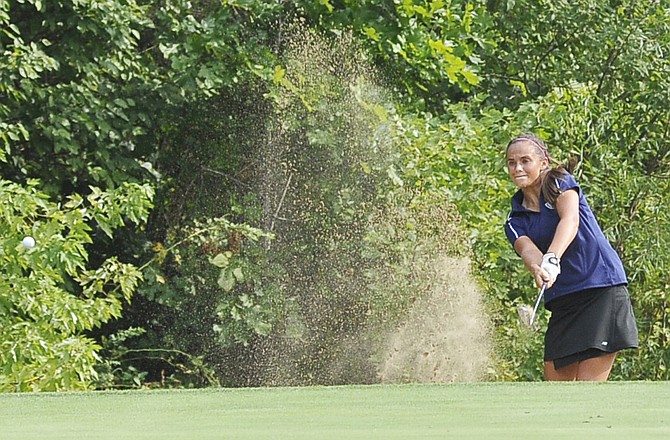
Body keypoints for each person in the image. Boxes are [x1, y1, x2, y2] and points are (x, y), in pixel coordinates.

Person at [503, 133, 638, 381]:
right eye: (511, 163)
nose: (517, 168)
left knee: (587, 391)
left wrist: (552, 257)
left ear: (542, 162)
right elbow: (527, 250)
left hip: (600, 287)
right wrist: (539, 269)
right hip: (564, 299)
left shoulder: (560, 182)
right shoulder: (514, 220)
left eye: (525, 160)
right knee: (554, 384)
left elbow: (570, 220)